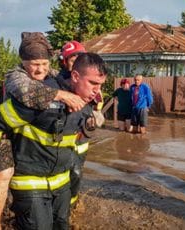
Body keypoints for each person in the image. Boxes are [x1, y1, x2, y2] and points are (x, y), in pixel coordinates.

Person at [0, 52, 107, 229]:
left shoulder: (86, 101)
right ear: (75, 76)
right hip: (30, 182)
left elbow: (76, 142)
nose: (97, 91)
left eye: (100, 85)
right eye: (93, 83)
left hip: (61, 183)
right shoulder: (41, 97)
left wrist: (90, 125)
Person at [58, 41, 104, 206]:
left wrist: (96, 118)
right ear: (65, 61)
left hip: (81, 138)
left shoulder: (92, 85)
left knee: (76, 173)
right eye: (72, 57)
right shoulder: (57, 83)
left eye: (79, 56)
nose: (76, 60)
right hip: (61, 139)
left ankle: (72, 203)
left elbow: (97, 105)